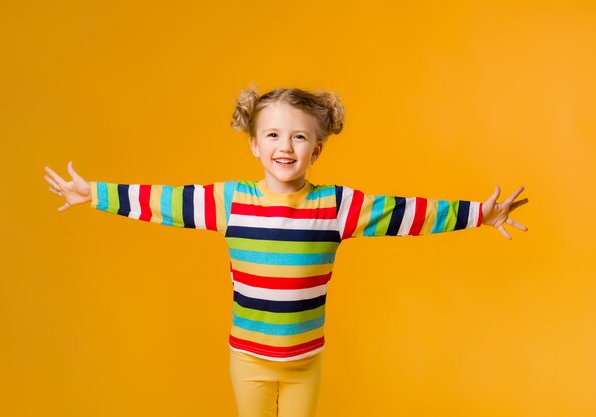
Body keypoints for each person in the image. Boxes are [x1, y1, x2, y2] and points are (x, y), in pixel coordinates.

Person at [43, 86, 528, 417]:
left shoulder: (337, 206)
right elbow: (163, 201)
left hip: (305, 362)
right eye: (273, 135)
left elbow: (406, 214)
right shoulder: (229, 201)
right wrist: (94, 194)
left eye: (299, 136)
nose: (285, 146)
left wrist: (477, 214)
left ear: (317, 149)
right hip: (248, 359)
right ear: (254, 145)